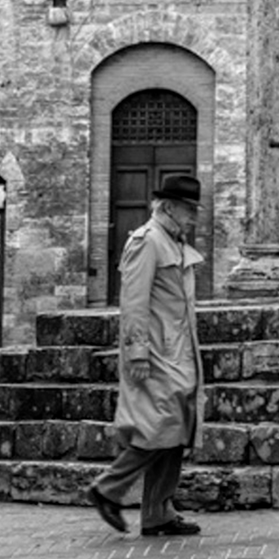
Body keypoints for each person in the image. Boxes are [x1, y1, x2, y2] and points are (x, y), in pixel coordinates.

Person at [87, 169, 205, 539]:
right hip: (153, 354)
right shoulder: (147, 241)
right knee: (157, 430)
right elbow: (133, 303)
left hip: (179, 354)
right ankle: (107, 489)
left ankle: (157, 511)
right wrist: (137, 352)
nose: (194, 217)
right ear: (168, 207)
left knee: (177, 429)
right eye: (189, 210)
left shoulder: (173, 241)